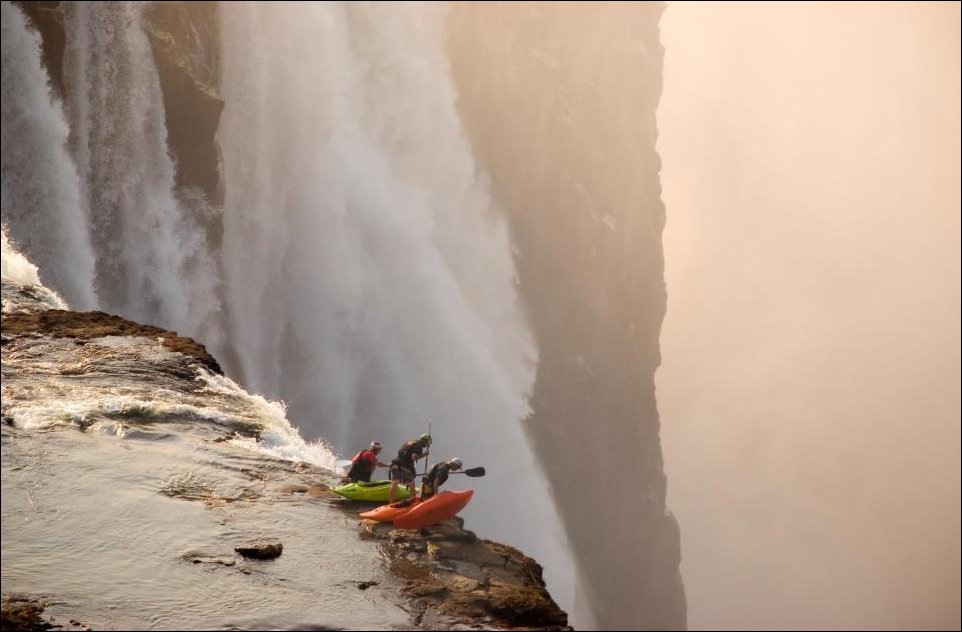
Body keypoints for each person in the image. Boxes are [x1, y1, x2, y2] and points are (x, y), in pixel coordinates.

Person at [388, 433, 432, 503]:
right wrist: (424, 454)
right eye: (428, 443)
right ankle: (413, 503)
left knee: (395, 483)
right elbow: (413, 457)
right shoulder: (419, 446)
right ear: (425, 441)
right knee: (411, 485)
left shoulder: (411, 442)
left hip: (395, 465)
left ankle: (390, 503)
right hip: (404, 467)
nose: (427, 445)